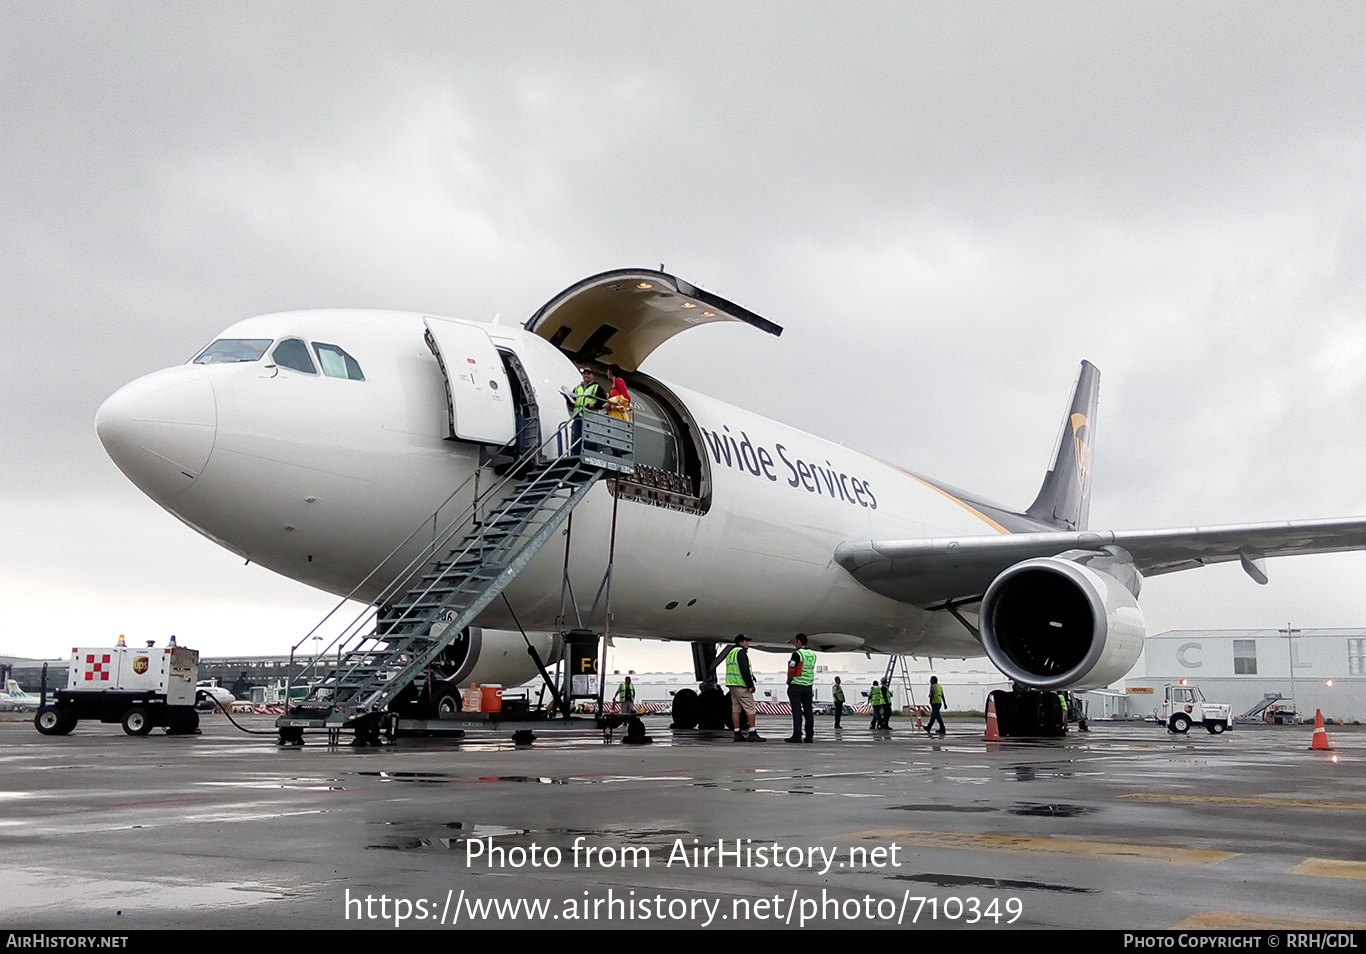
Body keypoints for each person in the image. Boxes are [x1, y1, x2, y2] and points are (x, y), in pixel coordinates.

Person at [724, 634, 763, 742]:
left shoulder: (731, 653)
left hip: (732, 685)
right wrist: (750, 685)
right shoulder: (741, 653)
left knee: (735, 709)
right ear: (740, 643)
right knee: (750, 708)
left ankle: (737, 733)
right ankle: (752, 732)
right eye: (745, 641)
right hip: (741, 685)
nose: (747, 644)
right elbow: (744, 669)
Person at [785, 633, 816, 743]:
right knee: (808, 711)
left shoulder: (797, 654)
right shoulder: (812, 654)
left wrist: (789, 681)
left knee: (797, 711)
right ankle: (809, 736)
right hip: (808, 686)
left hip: (797, 685)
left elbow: (792, 669)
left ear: (798, 642)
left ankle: (797, 735)